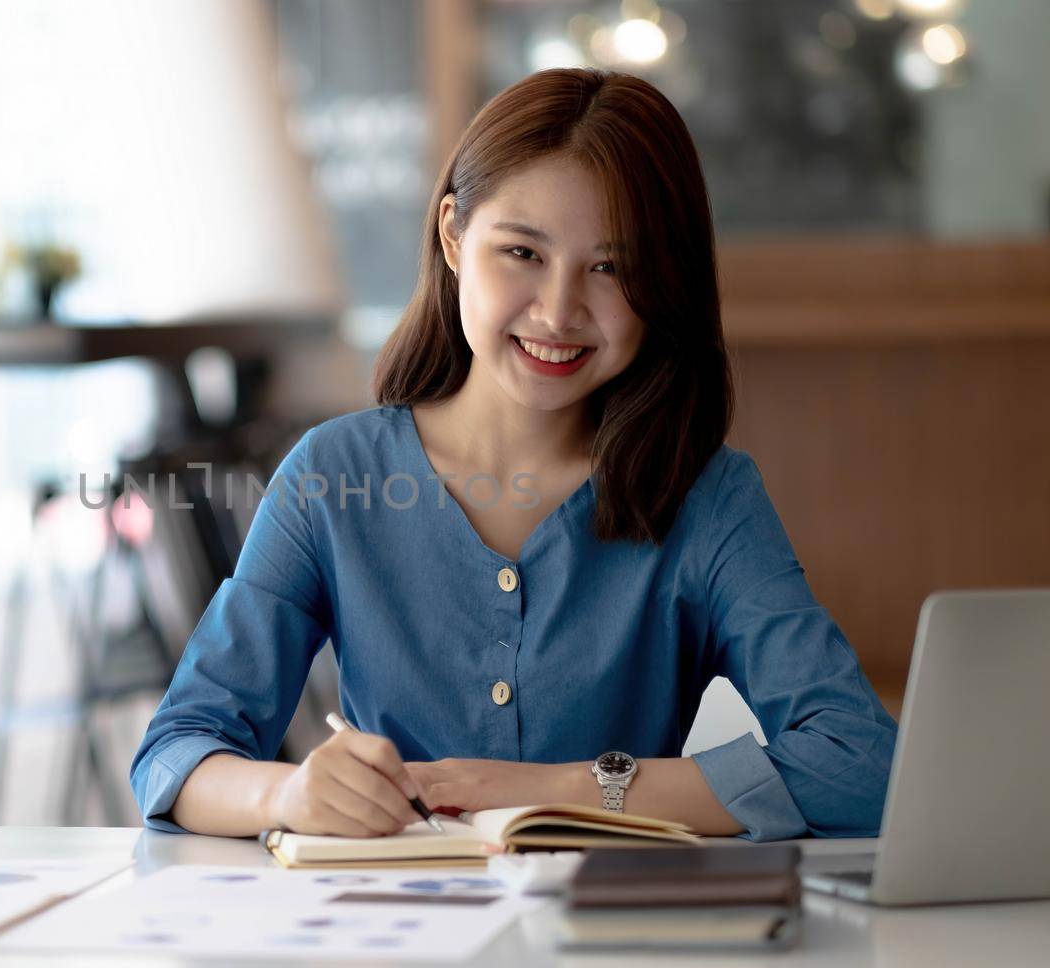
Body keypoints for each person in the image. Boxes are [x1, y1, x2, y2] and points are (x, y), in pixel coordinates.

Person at [128, 68, 897, 841]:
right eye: (523, 253)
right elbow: (176, 755)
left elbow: (858, 764)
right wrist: (285, 797)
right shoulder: (332, 477)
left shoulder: (709, 496)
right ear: (454, 234)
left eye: (611, 267)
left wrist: (555, 789)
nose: (560, 312)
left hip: (612, 945)